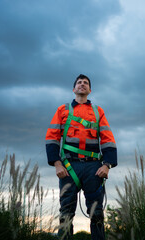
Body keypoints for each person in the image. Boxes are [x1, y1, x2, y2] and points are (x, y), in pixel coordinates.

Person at [45, 74, 117, 240]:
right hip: (69, 167)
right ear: (74, 88)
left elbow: (107, 138)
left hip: (94, 167)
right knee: (66, 213)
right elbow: (52, 137)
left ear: (90, 90)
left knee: (97, 213)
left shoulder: (98, 111)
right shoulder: (62, 110)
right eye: (79, 82)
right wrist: (57, 164)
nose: (82, 84)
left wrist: (107, 165)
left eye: (86, 83)